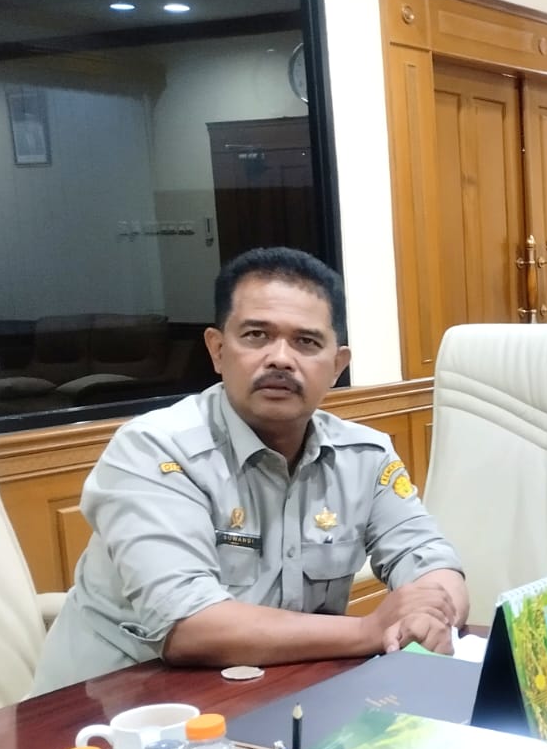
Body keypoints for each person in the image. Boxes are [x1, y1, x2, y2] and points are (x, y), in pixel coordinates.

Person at [31, 247, 469, 694]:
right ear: (217, 350)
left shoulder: (365, 455)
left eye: (306, 342)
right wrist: (369, 631)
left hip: (267, 701)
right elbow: (189, 625)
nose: (280, 359)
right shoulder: (155, 450)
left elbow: (430, 560)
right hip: (103, 719)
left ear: (337, 366)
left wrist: (429, 611)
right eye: (257, 336)